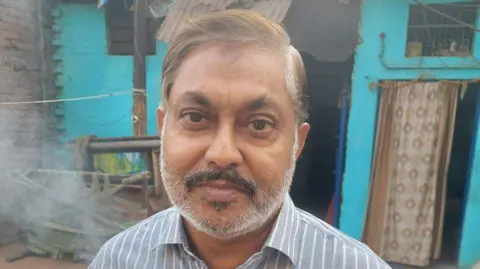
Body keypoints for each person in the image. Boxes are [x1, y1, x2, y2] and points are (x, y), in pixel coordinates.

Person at [88, 9, 391, 269]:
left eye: (260, 124)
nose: (222, 153)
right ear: (163, 127)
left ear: (297, 143)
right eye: (195, 117)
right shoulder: (118, 260)